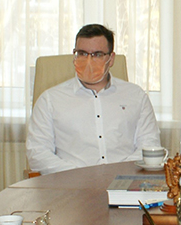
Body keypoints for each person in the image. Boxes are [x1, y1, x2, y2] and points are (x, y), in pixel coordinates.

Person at [26, 24, 160, 175]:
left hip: (125, 182)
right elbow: (38, 153)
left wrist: (119, 174)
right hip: (71, 184)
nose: (88, 60)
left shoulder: (136, 96)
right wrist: (79, 177)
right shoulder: (50, 100)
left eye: (97, 54)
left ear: (111, 59)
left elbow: (149, 145)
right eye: (82, 53)